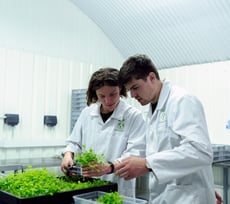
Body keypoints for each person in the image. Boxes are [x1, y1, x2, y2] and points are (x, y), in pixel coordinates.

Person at [116, 54, 216, 203]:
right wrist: (114, 166)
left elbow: (200, 151)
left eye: (135, 88)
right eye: (130, 90)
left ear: (151, 77)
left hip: (189, 196)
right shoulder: (152, 110)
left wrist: (147, 164)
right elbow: (148, 148)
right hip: (165, 195)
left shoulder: (182, 100)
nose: (133, 95)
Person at [61, 67, 146, 197]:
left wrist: (110, 167)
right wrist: (68, 155)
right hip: (88, 184)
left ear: (121, 89)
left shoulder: (133, 116)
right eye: (102, 96)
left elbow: (135, 153)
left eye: (113, 94)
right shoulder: (87, 113)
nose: (108, 101)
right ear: (95, 94)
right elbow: (74, 142)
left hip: (119, 186)